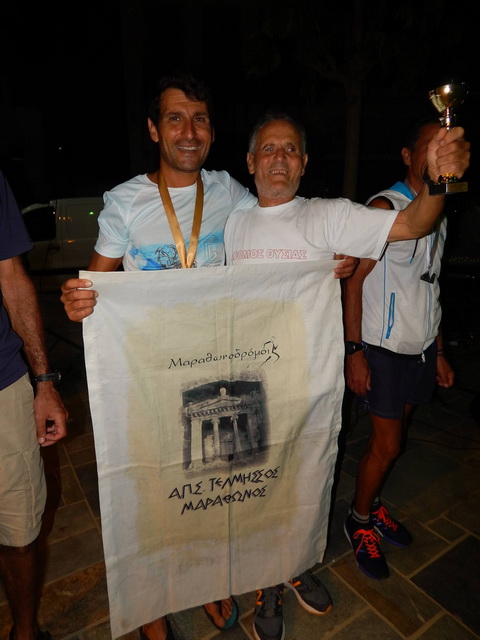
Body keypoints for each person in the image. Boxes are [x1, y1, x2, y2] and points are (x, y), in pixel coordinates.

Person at [60, 72, 357, 640]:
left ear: (212, 133)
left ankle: (210, 582)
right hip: (153, 375)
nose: (188, 131)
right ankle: (152, 606)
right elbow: (94, 287)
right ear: (154, 130)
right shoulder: (125, 201)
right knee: (156, 493)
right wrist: (77, 300)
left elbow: (279, 221)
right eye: (175, 118)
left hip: (220, 367)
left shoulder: (229, 193)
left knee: (215, 483)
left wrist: (325, 259)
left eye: (199, 119)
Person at [223, 111, 469, 640]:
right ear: (250, 161)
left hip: (311, 386)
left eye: (291, 149)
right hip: (252, 385)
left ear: (305, 163)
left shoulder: (327, 215)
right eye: (269, 149)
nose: (280, 158)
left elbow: (413, 224)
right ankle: (267, 581)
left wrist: (439, 181)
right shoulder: (234, 223)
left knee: (307, 485)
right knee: (260, 490)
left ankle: (293, 566)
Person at [341, 119, 456, 580]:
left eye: (442, 147)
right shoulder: (385, 208)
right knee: (388, 446)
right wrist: (354, 351)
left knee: (392, 440)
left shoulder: (439, 207)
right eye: (429, 147)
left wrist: (439, 350)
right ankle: (358, 520)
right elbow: (353, 283)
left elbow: (432, 285)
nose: (436, 155)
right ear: (409, 156)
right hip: (383, 348)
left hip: (420, 347)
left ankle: (371, 505)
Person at [0, 170, 68, 640]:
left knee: (20, 531)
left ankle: (24, 632)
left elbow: (11, 277)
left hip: (3, 385)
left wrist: (44, 382)